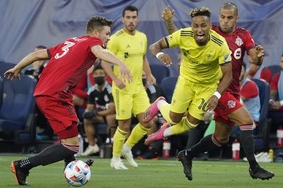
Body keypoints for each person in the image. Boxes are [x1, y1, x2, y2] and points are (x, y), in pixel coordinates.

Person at [150, 3, 274, 180]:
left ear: (236, 19)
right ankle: (254, 167)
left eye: (229, 17)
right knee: (246, 121)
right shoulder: (209, 31)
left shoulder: (243, 35)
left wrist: (259, 58)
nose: (225, 21)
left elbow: (254, 58)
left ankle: (188, 154)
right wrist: (169, 23)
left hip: (232, 88)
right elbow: (183, 37)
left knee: (221, 138)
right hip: (216, 88)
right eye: (222, 16)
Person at [5, 16, 131, 185]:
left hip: (55, 94)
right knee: (71, 145)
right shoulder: (92, 43)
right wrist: (120, 62)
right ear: (95, 33)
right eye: (107, 33)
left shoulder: (69, 42)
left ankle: (72, 170)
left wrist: (17, 67)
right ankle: (23, 165)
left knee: (71, 139)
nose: (109, 37)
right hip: (54, 95)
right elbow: (100, 52)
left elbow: (36, 55)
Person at [144, 5, 232, 159]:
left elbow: (228, 75)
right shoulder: (184, 35)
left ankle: (162, 133)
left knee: (192, 123)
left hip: (207, 86)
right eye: (195, 26)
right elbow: (154, 46)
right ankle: (159, 104)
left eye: (203, 25)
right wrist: (159, 54)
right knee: (174, 118)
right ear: (191, 26)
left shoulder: (220, 44)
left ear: (210, 26)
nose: (199, 30)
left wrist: (216, 95)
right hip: (187, 81)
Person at [101, 5, 156, 170]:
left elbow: (143, 58)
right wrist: (115, 80)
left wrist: (150, 74)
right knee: (123, 125)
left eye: (134, 17)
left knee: (148, 121)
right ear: (123, 19)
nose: (131, 21)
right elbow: (104, 61)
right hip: (122, 88)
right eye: (128, 17)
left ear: (137, 19)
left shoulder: (143, 37)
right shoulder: (116, 39)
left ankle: (127, 147)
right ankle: (115, 158)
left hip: (139, 88)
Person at [81, 63, 116, 156]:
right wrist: (87, 113)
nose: (98, 76)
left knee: (110, 117)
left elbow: (112, 110)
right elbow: (89, 107)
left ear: (106, 75)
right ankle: (92, 145)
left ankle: (112, 142)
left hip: (114, 115)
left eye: (101, 73)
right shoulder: (92, 90)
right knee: (87, 119)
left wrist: (96, 112)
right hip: (102, 115)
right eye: (96, 74)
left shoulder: (111, 89)